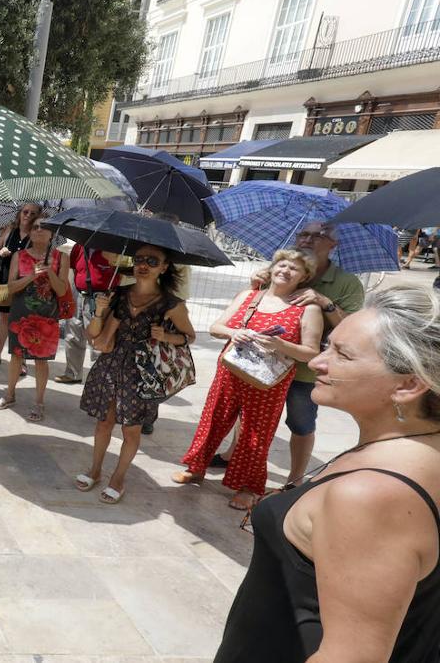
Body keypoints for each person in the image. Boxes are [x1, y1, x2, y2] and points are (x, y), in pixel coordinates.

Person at [214, 286, 440, 661]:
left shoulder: (372, 496)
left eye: (342, 355)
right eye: (328, 346)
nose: (318, 362)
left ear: (408, 384)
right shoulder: (413, 449)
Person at [212, 222, 365, 486]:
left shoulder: (346, 282)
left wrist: (323, 301)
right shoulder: (283, 267)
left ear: (333, 245)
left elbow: (351, 328)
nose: (308, 239)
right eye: (304, 233)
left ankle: (295, 478)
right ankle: (233, 456)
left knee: (301, 422)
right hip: (262, 363)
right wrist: (258, 286)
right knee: (248, 415)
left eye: (318, 235)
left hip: (308, 368)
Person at [174, 250, 323, 510]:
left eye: (294, 269)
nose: (286, 271)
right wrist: (235, 332)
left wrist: (280, 344)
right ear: (273, 267)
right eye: (282, 264)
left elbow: (311, 352)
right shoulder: (249, 296)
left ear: (304, 277)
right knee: (214, 419)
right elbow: (215, 328)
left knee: (256, 433)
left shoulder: (307, 309)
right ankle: (197, 468)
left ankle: (248, 487)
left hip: (268, 382)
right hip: (231, 371)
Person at [75, 245, 196, 504]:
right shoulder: (117, 294)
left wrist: (167, 336)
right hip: (110, 365)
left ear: (164, 267)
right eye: (139, 259)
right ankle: (95, 470)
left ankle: (118, 477)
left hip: (143, 373)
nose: (143, 265)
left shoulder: (172, 304)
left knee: (131, 430)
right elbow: (93, 336)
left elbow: (189, 337)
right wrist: (99, 310)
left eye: (152, 261)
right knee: (104, 423)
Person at [0, 221, 69, 421]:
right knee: (16, 356)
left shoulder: (61, 257)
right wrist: (31, 276)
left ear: (52, 234)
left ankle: (39, 402)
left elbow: (61, 290)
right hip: (21, 315)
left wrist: (49, 271)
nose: (39, 230)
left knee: (41, 362)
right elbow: (11, 287)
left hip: (47, 317)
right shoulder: (20, 256)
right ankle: (10, 394)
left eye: (43, 227)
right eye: (35, 227)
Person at [0, 203, 42, 368]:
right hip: (5, 279)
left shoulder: (37, 233)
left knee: (23, 321)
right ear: (19, 213)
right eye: (25, 211)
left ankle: (21, 359)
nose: (28, 215)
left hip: (26, 282)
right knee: (4, 320)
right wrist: (0, 253)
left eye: (32, 213)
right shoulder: (9, 229)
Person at [55, 243, 121, 384]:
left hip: (100, 297)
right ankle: (73, 373)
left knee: (96, 337)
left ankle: (98, 377)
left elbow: (121, 272)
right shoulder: (80, 246)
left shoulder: (112, 248)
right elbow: (74, 267)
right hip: (78, 293)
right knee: (72, 333)